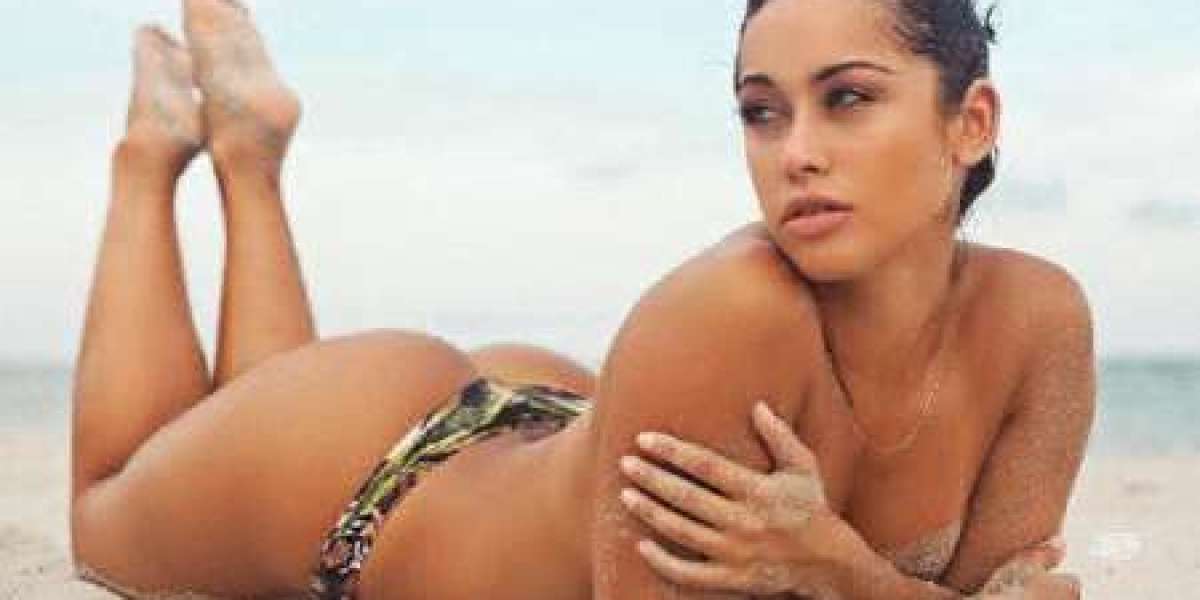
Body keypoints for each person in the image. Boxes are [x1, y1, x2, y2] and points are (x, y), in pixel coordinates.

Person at [70, 0, 1092, 599]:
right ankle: (150, 159)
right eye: (761, 112)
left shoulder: (1037, 323)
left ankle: (249, 154)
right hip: (370, 478)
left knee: (212, 427)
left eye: (849, 98)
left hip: (554, 431)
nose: (797, 152)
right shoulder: (733, 308)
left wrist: (834, 566)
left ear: (971, 122)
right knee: (98, 513)